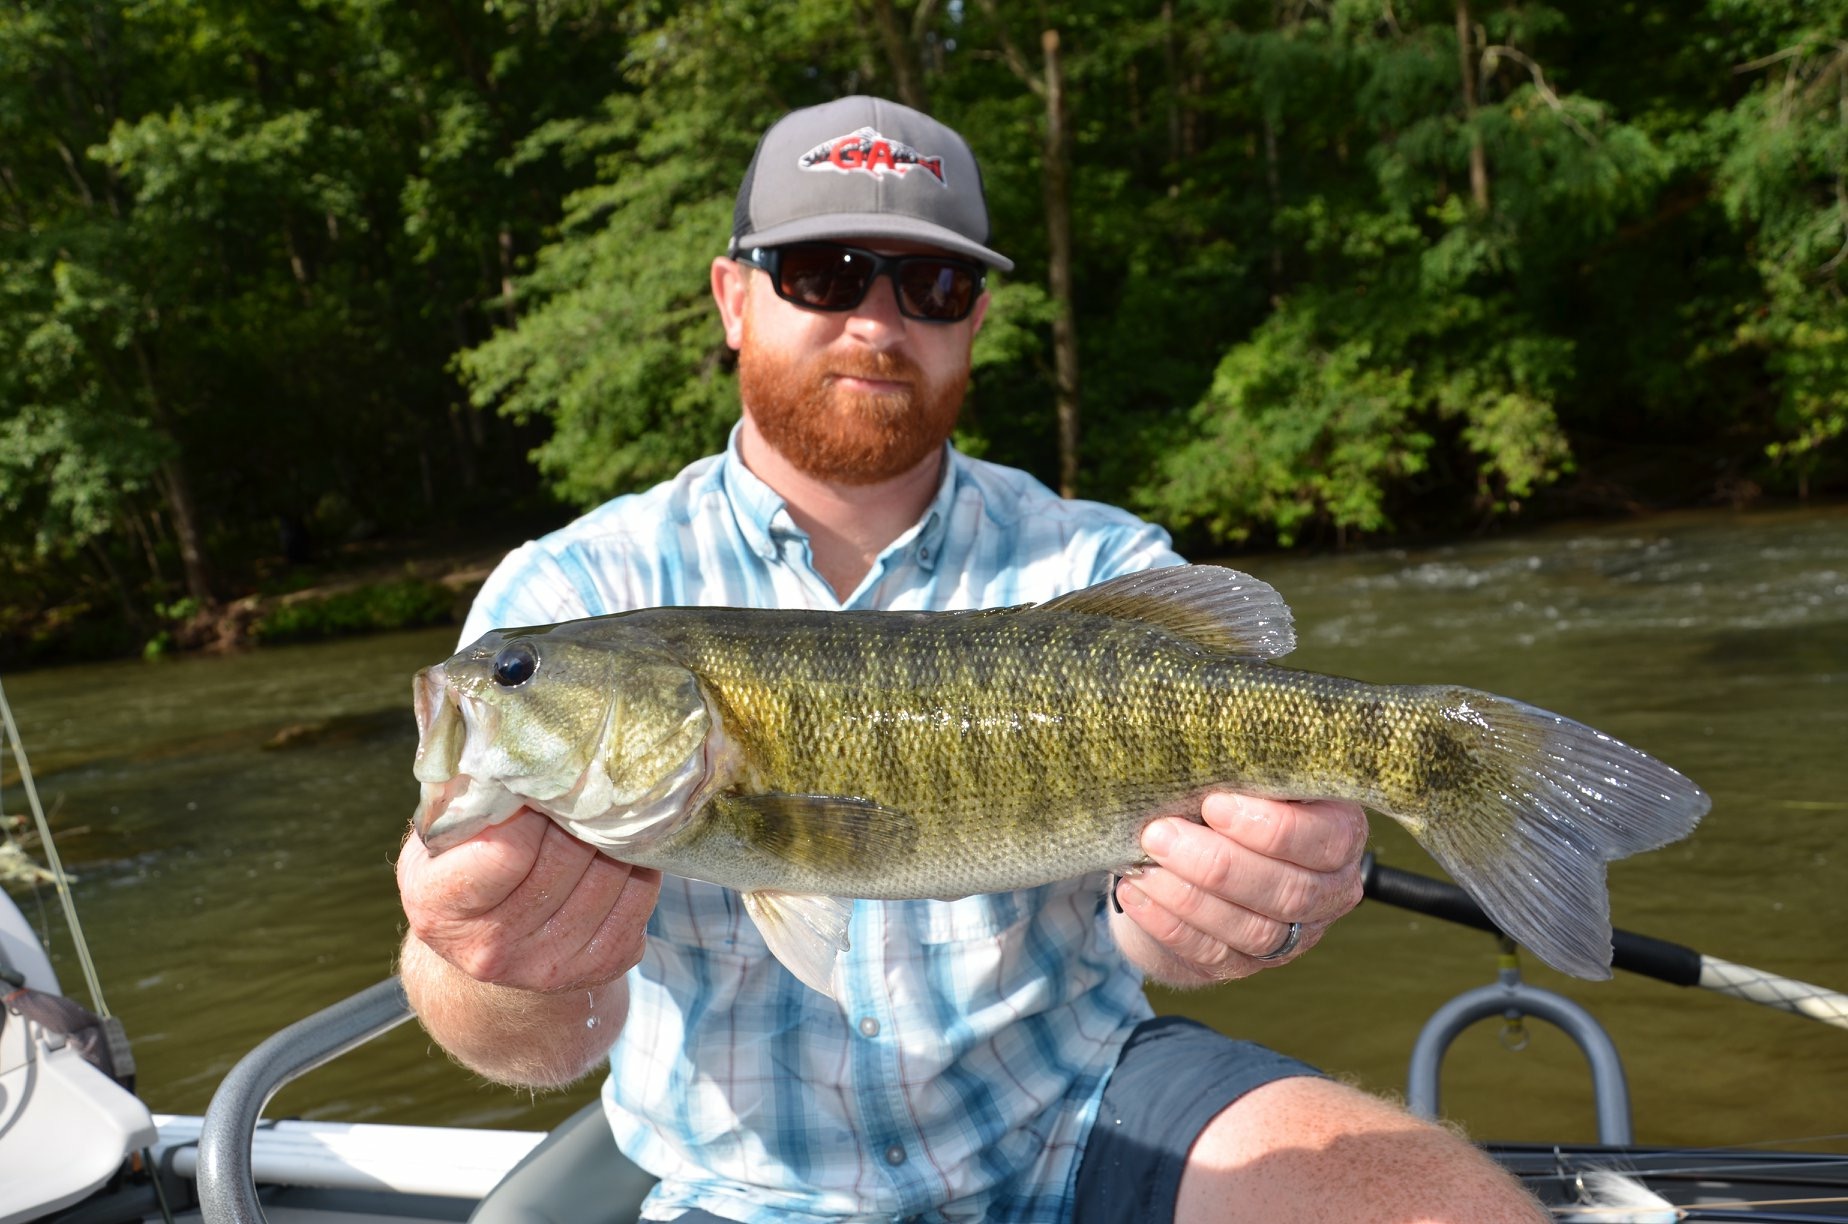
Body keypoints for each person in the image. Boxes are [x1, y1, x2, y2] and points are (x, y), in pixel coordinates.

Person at [396, 95, 1543, 1223]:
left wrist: (1248, 909)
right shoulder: (570, 594)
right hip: (749, 1191)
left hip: (1089, 1102)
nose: (878, 323)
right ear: (733, 296)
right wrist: (490, 965)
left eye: (931, 286)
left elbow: (1148, 926)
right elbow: (527, 1039)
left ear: (976, 321)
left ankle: (1442, 769)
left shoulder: (1095, 560)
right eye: (824, 274)